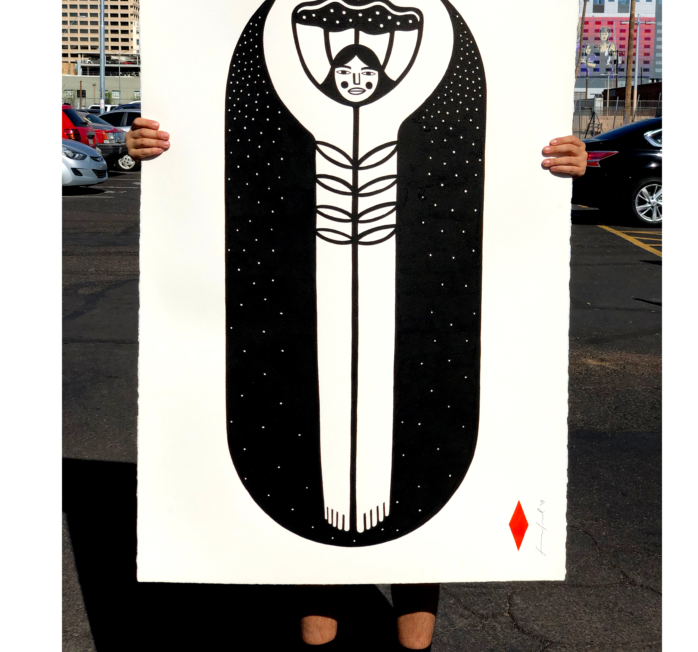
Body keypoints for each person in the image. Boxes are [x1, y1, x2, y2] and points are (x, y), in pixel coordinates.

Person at [126, 118, 587, 649]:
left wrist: (563, 166)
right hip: (301, 294)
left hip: (424, 291)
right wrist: (153, 154)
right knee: (313, 508)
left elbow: (501, 164)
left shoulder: (435, 119)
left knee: (423, 495)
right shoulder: (288, 114)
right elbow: (218, 161)